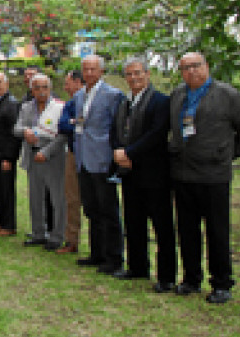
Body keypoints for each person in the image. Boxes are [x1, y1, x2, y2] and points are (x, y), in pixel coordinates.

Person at [169, 52, 240, 304]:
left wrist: (226, 154)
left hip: (213, 175)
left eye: (195, 66)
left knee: (217, 231)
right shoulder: (178, 95)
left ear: (206, 66)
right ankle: (191, 278)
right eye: (185, 68)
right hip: (183, 173)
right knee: (187, 230)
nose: (191, 72)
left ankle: (221, 283)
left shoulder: (227, 95)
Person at [110, 57, 175, 290]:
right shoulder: (124, 102)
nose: (134, 78)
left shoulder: (160, 102)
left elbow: (157, 134)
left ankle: (166, 277)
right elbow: (116, 129)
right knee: (133, 222)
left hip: (154, 173)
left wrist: (129, 152)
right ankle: (137, 267)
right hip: (129, 172)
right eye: (129, 74)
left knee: (162, 226)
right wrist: (118, 150)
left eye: (138, 73)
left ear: (148, 74)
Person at [73, 55, 125, 275]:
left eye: (93, 69)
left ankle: (114, 258)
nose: (89, 73)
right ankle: (97, 253)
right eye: (86, 69)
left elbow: (119, 127)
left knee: (108, 211)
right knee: (91, 209)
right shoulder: (78, 96)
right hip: (83, 158)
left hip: (102, 159)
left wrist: (115, 154)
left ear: (102, 71)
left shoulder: (113, 95)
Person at [14, 74, 67, 250]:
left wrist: (46, 152)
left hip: (53, 157)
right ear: (32, 90)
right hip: (32, 156)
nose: (41, 91)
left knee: (57, 199)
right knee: (35, 198)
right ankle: (38, 233)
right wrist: (25, 131)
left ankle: (57, 236)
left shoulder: (59, 107)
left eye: (44, 87)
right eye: (37, 88)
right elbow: (17, 128)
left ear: (50, 88)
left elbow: (63, 135)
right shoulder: (27, 107)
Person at [0, 73, 21, 236]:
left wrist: (9, 157)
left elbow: (14, 134)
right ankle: (1, 222)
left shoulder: (11, 104)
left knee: (6, 191)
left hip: (4, 157)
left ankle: (8, 225)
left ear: (6, 84)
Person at [56, 70, 84, 254]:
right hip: (74, 152)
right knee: (72, 198)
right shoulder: (71, 103)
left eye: (68, 83)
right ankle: (72, 240)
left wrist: (77, 122)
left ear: (78, 82)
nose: (66, 88)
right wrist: (78, 122)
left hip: (94, 155)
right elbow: (63, 125)